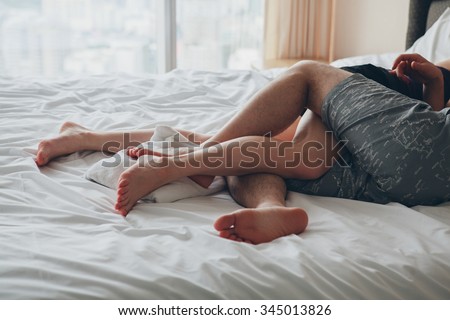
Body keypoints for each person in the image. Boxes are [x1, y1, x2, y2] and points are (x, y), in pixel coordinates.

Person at [36, 53, 450, 244]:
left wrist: (434, 88)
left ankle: (184, 164)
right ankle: (269, 210)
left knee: (306, 76)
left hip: (423, 151)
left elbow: (427, 146)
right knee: (251, 152)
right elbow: (423, 157)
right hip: (409, 183)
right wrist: (435, 88)